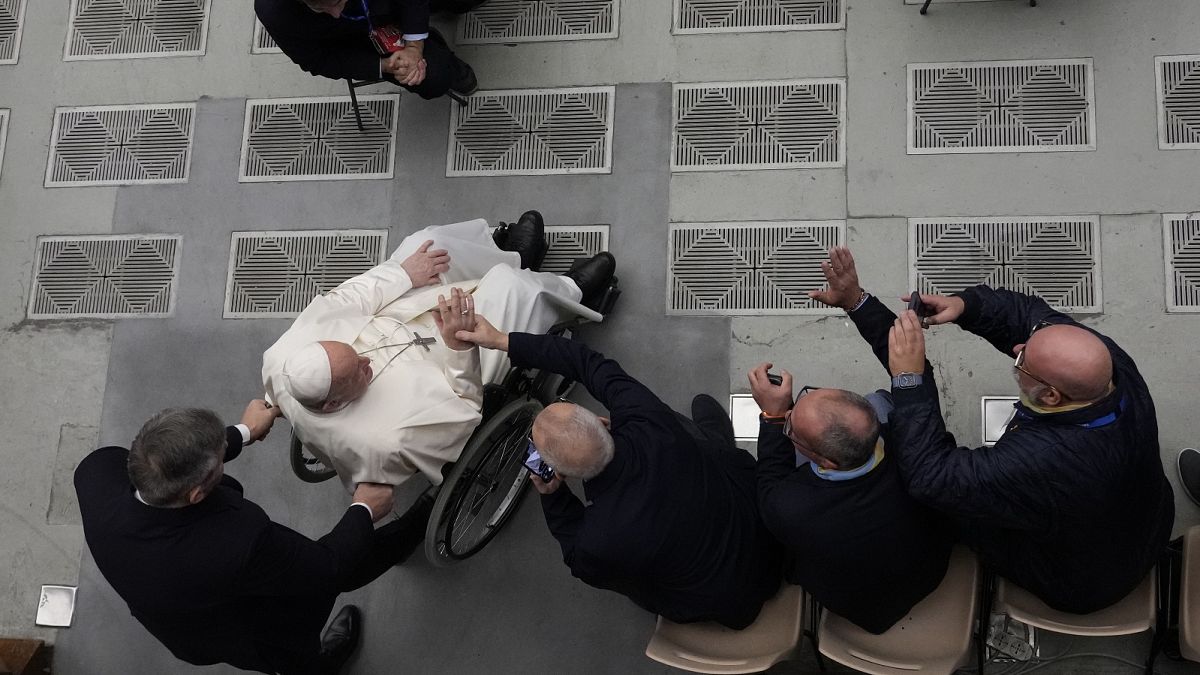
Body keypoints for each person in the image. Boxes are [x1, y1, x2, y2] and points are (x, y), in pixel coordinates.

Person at [870, 249, 1174, 613]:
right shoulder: (1110, 365)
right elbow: (1030, 316)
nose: (1017, 347)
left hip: (1081, 583)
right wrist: (966, 306)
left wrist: (908, 378)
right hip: (1150, 525)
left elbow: (932, 476)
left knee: (945, 509)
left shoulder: (1040, 461)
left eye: (1022, 360)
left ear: (1051, 396)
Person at [454, 318, 782, 629]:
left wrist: (553, 496)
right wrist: (501, 340)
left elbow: (579, 561)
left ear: (561, 472)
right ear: (600, 421)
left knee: (633, 577)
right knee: (681, 432)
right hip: (769, 533)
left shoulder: (600, 539)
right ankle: (715, 438)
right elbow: (586, 361)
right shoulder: (643, 414)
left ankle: (713, 440)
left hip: (733, 601)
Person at [262, 215, 615, 492]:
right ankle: (571, 291)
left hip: (402, 315)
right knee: (510, 289)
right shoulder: (391, 438)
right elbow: (465, 408)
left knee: (429, 245)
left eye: (354, 353)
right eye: (358, 371)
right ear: (332, 404)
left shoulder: (281, 359)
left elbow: (344, 300)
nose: (365, 359)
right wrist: (458, 348)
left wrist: (403, 275)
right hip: (456, 368)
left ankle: (516, 257)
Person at [75, 402, 431, 675]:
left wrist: (243, 432)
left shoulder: (96, 473)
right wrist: (364, 508)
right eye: (220, 460)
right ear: (196, 494)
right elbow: (327, 567)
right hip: (242, 628)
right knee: (295, 649)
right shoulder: (237, 542)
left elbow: (164, 464)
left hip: (176, 623)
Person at [747, 247, 954, 634]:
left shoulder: (789, 508)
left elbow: (771, 476)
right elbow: (911, 367)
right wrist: (855, 300)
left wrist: (773, 418)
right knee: (886, 397)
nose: (789, 417)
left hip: (865, 611)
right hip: (930, 570)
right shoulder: (920, 448)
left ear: (826, 462)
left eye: (794, 429)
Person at [255, 0, 483, 99]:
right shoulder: (274, 12)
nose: (335, 13)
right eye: (319, 8)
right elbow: (318, 60)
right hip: (357, 39)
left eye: (337, 2)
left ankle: (424, 32)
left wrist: (414, 44)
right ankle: (439, 52)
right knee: (434, 78)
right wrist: (386, 66)